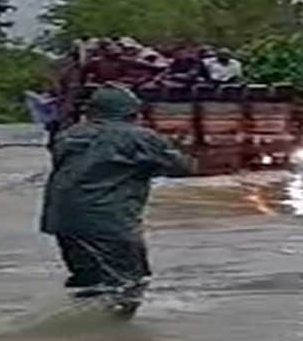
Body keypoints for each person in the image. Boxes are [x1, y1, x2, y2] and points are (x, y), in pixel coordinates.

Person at [39, 86, 194, 315]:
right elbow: (182, 168)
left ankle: (83, 335)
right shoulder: (138, 136)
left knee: (88, 281)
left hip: (62, 220)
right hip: (108, 221)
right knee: (130, 283)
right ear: (132, 112)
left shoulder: (69, 134)